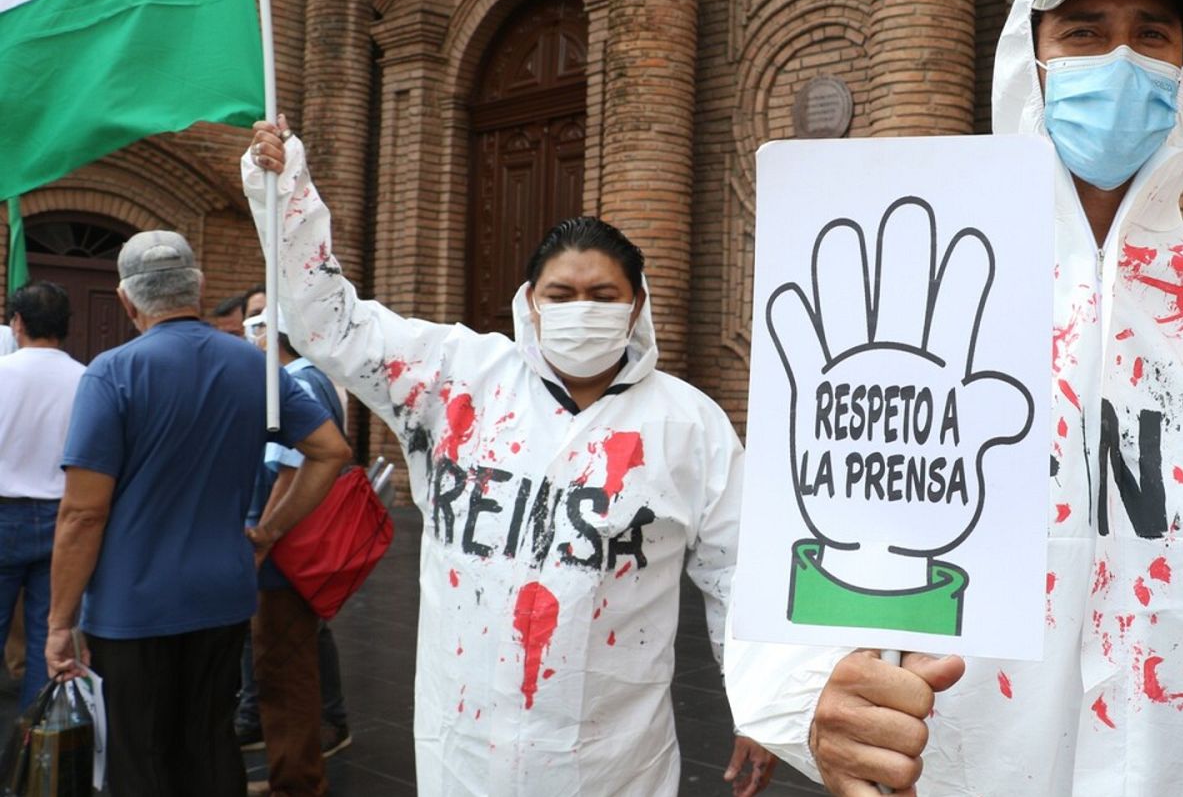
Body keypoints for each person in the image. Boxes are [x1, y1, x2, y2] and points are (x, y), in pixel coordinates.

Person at [724, 0, 1183, 797]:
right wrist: (808, 695)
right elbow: (800, 525)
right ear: (1029, 60)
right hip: (959, 763)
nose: (1120, 60)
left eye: (1151, 33)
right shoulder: (921, 287)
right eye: (1083, 30)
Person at [244, 120, 776, 797]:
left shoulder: (688, 423)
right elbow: (330, 324)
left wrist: (762, 707)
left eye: (603, 296)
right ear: (529, 304)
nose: (582, 309)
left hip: (611, 756)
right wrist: (285, 191)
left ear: (636, 305)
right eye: (561, 295)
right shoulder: (456, 378)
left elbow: (736, 573)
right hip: (467, 744)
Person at [45, 230, 350, 797]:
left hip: (131, 603)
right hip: (223, 591)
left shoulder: (112, 373)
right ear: (200, 287)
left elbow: (82, 516)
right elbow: (331, 451)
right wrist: (269, 533)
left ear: (126, 300)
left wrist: (59, 621)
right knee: (210, 743)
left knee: (137, 755)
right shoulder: (254, 366)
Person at [237, 311, 352, 797]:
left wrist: (266, 534)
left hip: (285, 554)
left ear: (272, 336)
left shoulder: (297, 383)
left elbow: (291, 471)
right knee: (285, 664)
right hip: (287, 550)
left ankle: (297, 781)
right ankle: (293, 772)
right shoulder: (303, 379)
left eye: (256, 329)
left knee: (285, 668)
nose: (252, 340)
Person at [0, 281, 85, 707]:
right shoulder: (87, 379)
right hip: (64, 518)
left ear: (17, 323)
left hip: (4, 514)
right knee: (47, 639)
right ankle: (32, 759)